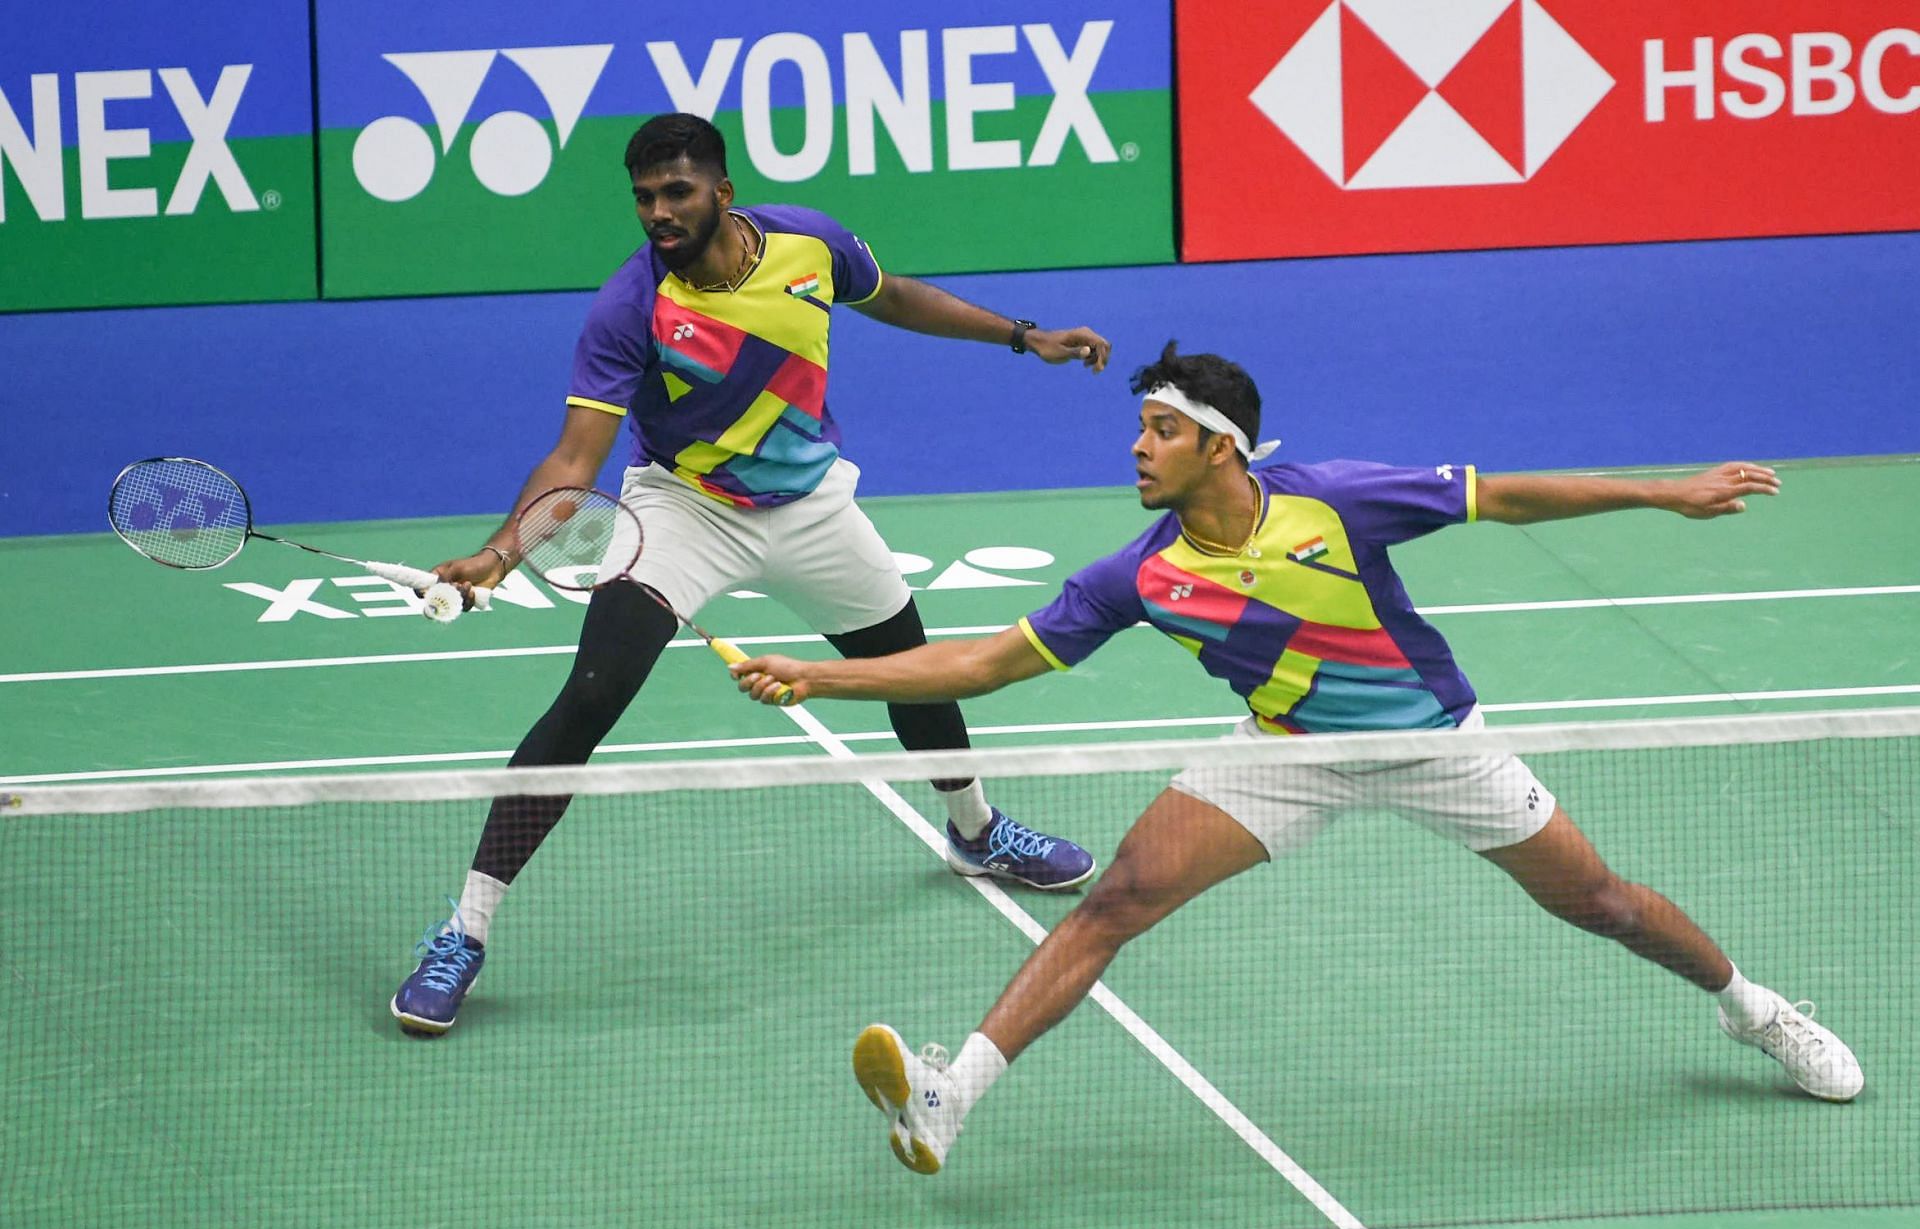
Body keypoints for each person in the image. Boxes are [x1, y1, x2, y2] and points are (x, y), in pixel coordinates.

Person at [732, 341, 1866, 1174]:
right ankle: (948, 1097)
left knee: (1605, 902)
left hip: (1432, 743)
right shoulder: (1138, 574)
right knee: (1114, 899)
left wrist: (1666, 495)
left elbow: (1504, 497)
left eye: (1159, 431)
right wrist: (822, 675)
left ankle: (1755, 1008)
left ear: (1218, 445)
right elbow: (987, 664)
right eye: (1139, 431)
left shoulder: (1336, 500)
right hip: (1285, 752)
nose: (1136, 448)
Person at [390, 113, 1113, 1036]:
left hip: (810, 505)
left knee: (909, 661)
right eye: (645, 197)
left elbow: (893, 297)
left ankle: (974, 828)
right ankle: (464, 929)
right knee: (590, 697)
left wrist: (1023, 335)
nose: (658, 211)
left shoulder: (807, 243)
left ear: (722, 193)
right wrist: (500, 554)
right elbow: (577, 458)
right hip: (684, 509)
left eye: (676, 192)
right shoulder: (629, 307)